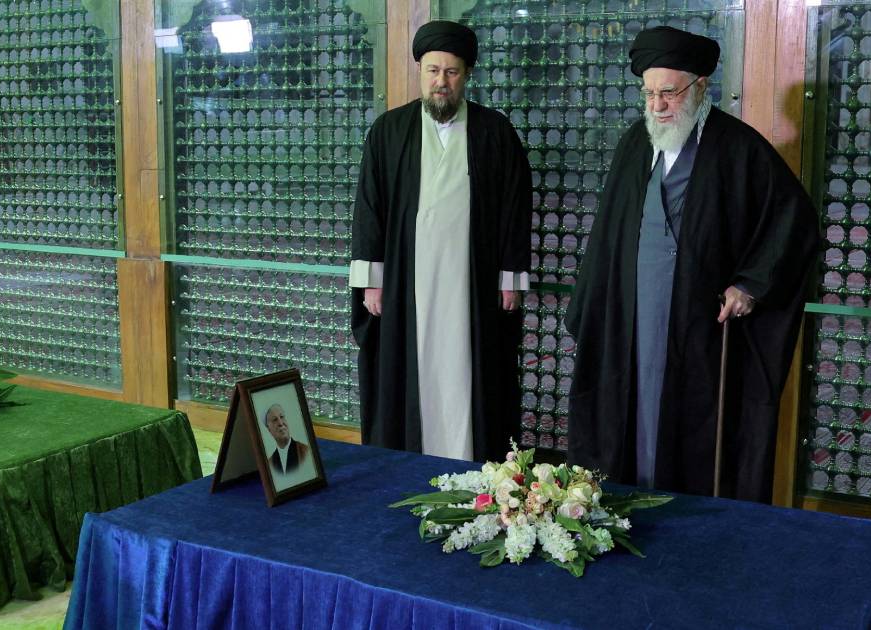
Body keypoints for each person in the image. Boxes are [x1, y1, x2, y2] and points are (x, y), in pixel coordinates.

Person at [565, 26, 818, 502]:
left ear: (701, 86)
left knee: (692, 430)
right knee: (632, 410)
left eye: (669, 93)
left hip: (700, 323)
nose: (658, 105)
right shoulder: (634, 144)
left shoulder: (738, 147)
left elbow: (794, 221)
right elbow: (606, 238)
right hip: (633, 314)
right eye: (649, 94)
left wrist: (750, 285)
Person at [350, 20, 534, 462]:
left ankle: (475, 464)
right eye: (433, 71)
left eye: (451, 72)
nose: (441, 82)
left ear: (466, 74)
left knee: (474, 373)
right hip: (406, 285)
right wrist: (371, 281)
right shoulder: (389, 131)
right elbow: (369, 208)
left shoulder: (495, 132)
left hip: (473, 285)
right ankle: (407, 465)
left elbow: (515, 206)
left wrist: (510, 278)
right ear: (420, 71)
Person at [263, 404, 310, 476]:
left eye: (282, 417)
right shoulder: (270, 463)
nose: (281, 423)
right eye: (275, 420)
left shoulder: (305, 451)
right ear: (269, 429)